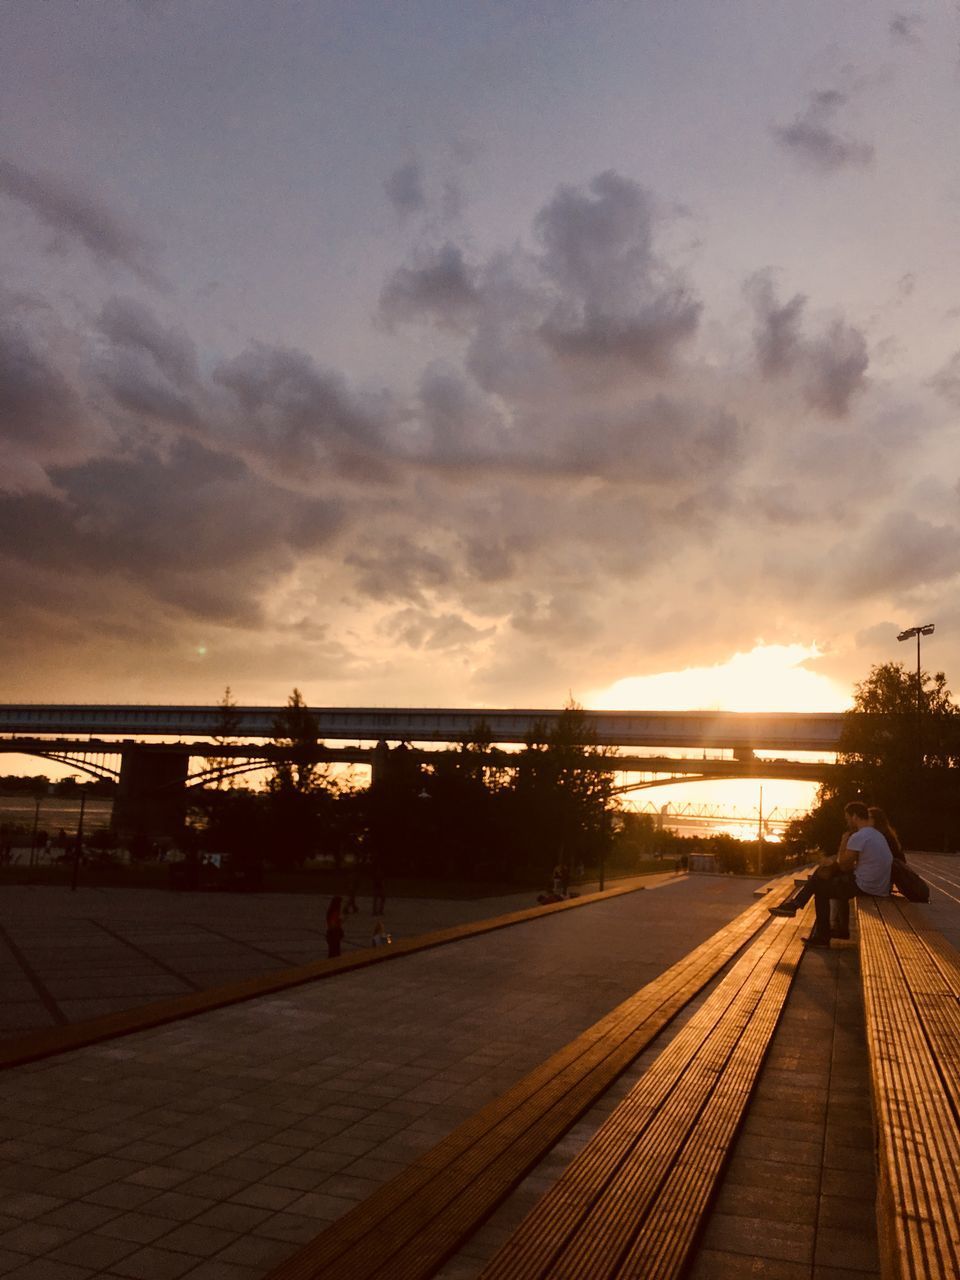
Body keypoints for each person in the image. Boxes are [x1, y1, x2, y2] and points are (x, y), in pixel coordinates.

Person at [769, 801, 893, 947]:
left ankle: (819, 934)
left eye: (847, 818)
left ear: (854, 817)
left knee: (821, 889)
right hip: (878, 885)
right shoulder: (876, 835)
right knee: (822, 876)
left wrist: (843, 842)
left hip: (866, 886)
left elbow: (843, 865)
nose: (847, 821)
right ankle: (796, 906)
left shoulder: (859, 836)